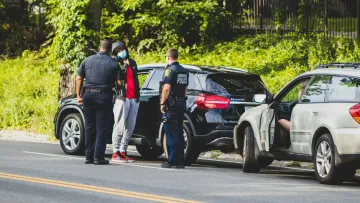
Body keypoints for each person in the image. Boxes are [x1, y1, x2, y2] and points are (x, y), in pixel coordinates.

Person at [76, 39, 121, 165]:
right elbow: (120, 83)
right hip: (104, 97)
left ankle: (88, 156)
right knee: (102, 128)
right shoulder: (114, 63)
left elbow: (79, 78)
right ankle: (98, 157)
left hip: (88, 96)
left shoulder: (87, 60)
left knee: (89, 126)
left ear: (100, 47)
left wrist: (78, 95)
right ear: (110, 49)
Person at [111, 41, 140, 163]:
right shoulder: (115, 64)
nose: (121, 52)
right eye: (118, 50)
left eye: (122, 49)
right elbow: (118, 83)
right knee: (119, 124)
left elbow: (135, 79)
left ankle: (123, 150)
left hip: (134, 98)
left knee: (130, 126)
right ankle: (115, 151)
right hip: (122, 98)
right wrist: (124, 68)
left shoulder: (132, 62)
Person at [160, 48, 189, 169]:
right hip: (181, 103)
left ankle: (172, 161)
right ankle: (180, 161)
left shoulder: (170, 71)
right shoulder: (184, 70)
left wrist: (162, 103)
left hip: (171, 104)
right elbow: (186, 88)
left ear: (168, 58)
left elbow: (166, 88)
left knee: (171, 134)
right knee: (178, 132)